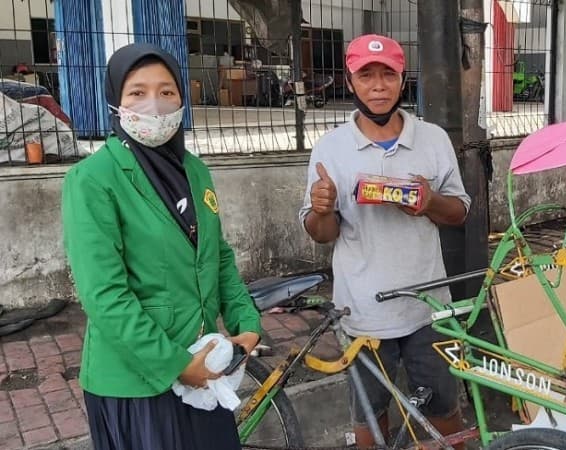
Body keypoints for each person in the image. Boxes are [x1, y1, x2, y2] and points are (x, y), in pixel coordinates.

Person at [61, 43, 262, 450]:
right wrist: (175, 365)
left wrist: (246, 323)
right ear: (115, 101)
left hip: (205, 370)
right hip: (137, 383)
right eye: (137, 92)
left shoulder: (195, 170)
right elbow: (104, 295)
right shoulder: (93, 179)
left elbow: (217, 255)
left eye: (167, 91)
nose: (154, 104)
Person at [299, 34, 470, 448]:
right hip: (362, 310)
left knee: (445, 413)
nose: (378, 86)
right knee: (371, 421)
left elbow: (460, 212)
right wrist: (321, 209)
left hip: (429, 306)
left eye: (387, 75)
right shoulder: (332, 147)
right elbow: (323, 234)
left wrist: (429, 201)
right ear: (349, 79)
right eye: (366, 75)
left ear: (402, 78)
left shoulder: (433, 139)